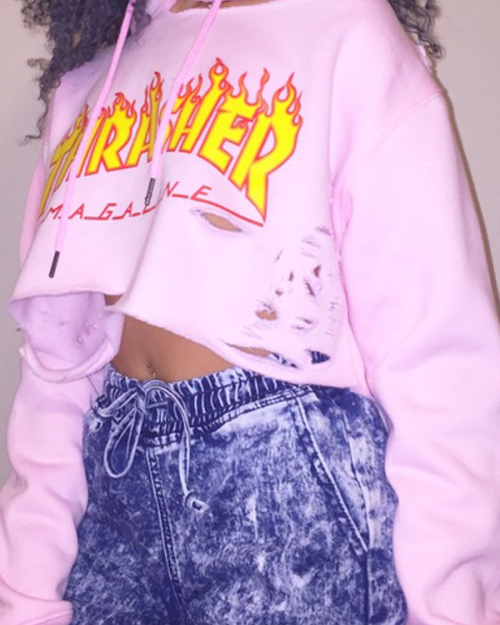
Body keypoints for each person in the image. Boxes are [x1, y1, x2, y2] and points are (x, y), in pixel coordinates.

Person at [1, 0, 499, 623]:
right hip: (113, 501)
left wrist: (455, 606)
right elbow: (56, 374)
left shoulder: (348, 33)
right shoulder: (91, 81)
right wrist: (23, 594)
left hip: (290, 497)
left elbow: (439, 360)